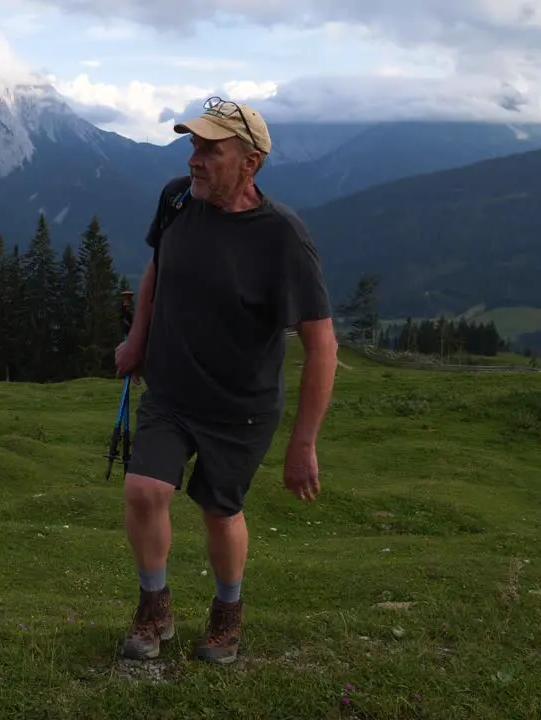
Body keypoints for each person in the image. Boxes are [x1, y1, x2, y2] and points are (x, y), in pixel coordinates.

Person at [113, 96, 339, 664]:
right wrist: (137, 340)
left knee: (220, 510)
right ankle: (154, 606)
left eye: (210, 150)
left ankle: (227, 612)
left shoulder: (282, 237)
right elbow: (156, 268)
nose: (195, 160)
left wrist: (304, 443)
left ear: (250, 162)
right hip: (171, 389)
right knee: (143, 490)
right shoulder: (177, 199)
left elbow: (322, 345)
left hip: (240, 406)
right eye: (193, 146)